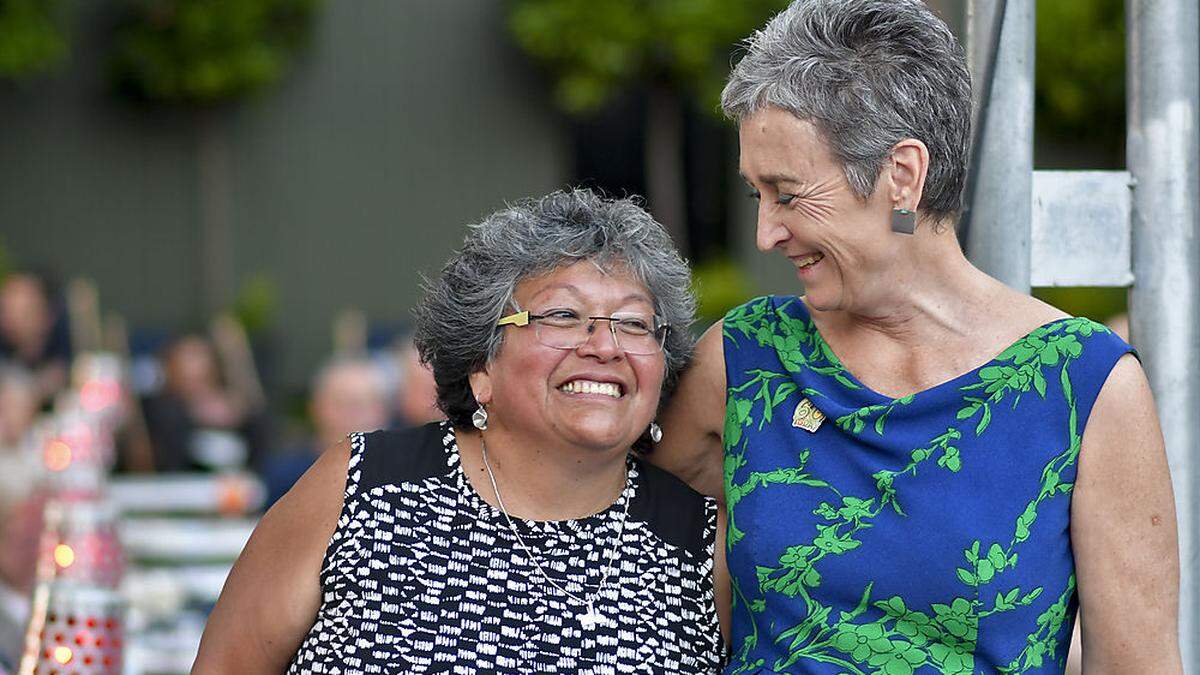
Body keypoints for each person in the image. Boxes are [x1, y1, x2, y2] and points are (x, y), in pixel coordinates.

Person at [651, 1, 1180, 673]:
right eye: (758, 195)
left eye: (787, 193)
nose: (767, 233)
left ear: (901, 176)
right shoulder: (746, 359)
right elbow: (610, 542)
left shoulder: (1085, 386)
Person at [193, 190, 730, 673]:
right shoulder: (363, 486)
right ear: (481, 366)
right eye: (564, 315)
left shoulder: (705, 545)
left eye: (634, 324)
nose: (605, 346)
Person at [261, 357, 391, 507]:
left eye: (364, 404)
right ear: (315, 408)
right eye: (342, 403)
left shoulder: (407, 476)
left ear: (384, 412)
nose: (353, 415)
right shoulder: (286, 475)